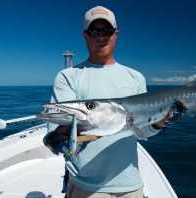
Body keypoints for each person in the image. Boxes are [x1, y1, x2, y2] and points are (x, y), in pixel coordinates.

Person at [44, 5, 186, 198]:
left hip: (130, 182)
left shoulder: (135, 77)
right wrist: (57, 138)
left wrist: (160, 123)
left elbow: (140, 131)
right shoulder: (68, 76)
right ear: (85, 36)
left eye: (107, 31)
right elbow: (56, 130)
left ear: (116, 34)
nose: (101, 37)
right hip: (86, 185)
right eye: (94, 31)